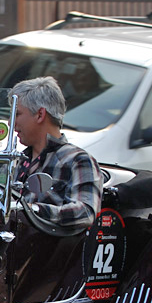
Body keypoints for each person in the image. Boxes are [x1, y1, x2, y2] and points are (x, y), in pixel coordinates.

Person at [11, 76, 102, 231]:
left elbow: (85, 213)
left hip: (51, 251)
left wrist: (29, 210)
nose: (11, 122)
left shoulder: (77, 160)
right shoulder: (18, 160)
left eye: (17, 113)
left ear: (40, 115)